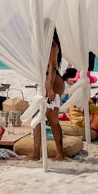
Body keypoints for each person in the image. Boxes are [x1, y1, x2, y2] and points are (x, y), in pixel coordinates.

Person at [31, 30, 67, 162]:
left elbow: (52, 67)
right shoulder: (43, 45)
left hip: (52, 81)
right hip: (48, 81)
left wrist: (49, 88)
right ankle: (58, 153)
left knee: (41, 118)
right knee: (50, 119)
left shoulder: (51, 45)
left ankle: (37, 153)